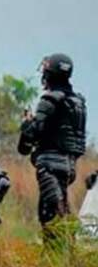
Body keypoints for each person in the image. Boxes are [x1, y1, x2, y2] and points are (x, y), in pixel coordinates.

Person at [18, 53, 87, 243]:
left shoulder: (49, 99)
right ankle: (64, 256)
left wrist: (25, 124)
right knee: (59, 208)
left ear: (48, 73)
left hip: (49, 164)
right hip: (70, 166)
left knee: (52, 214)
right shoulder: (78, 102)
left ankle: (63, 256)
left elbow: (32, 135)